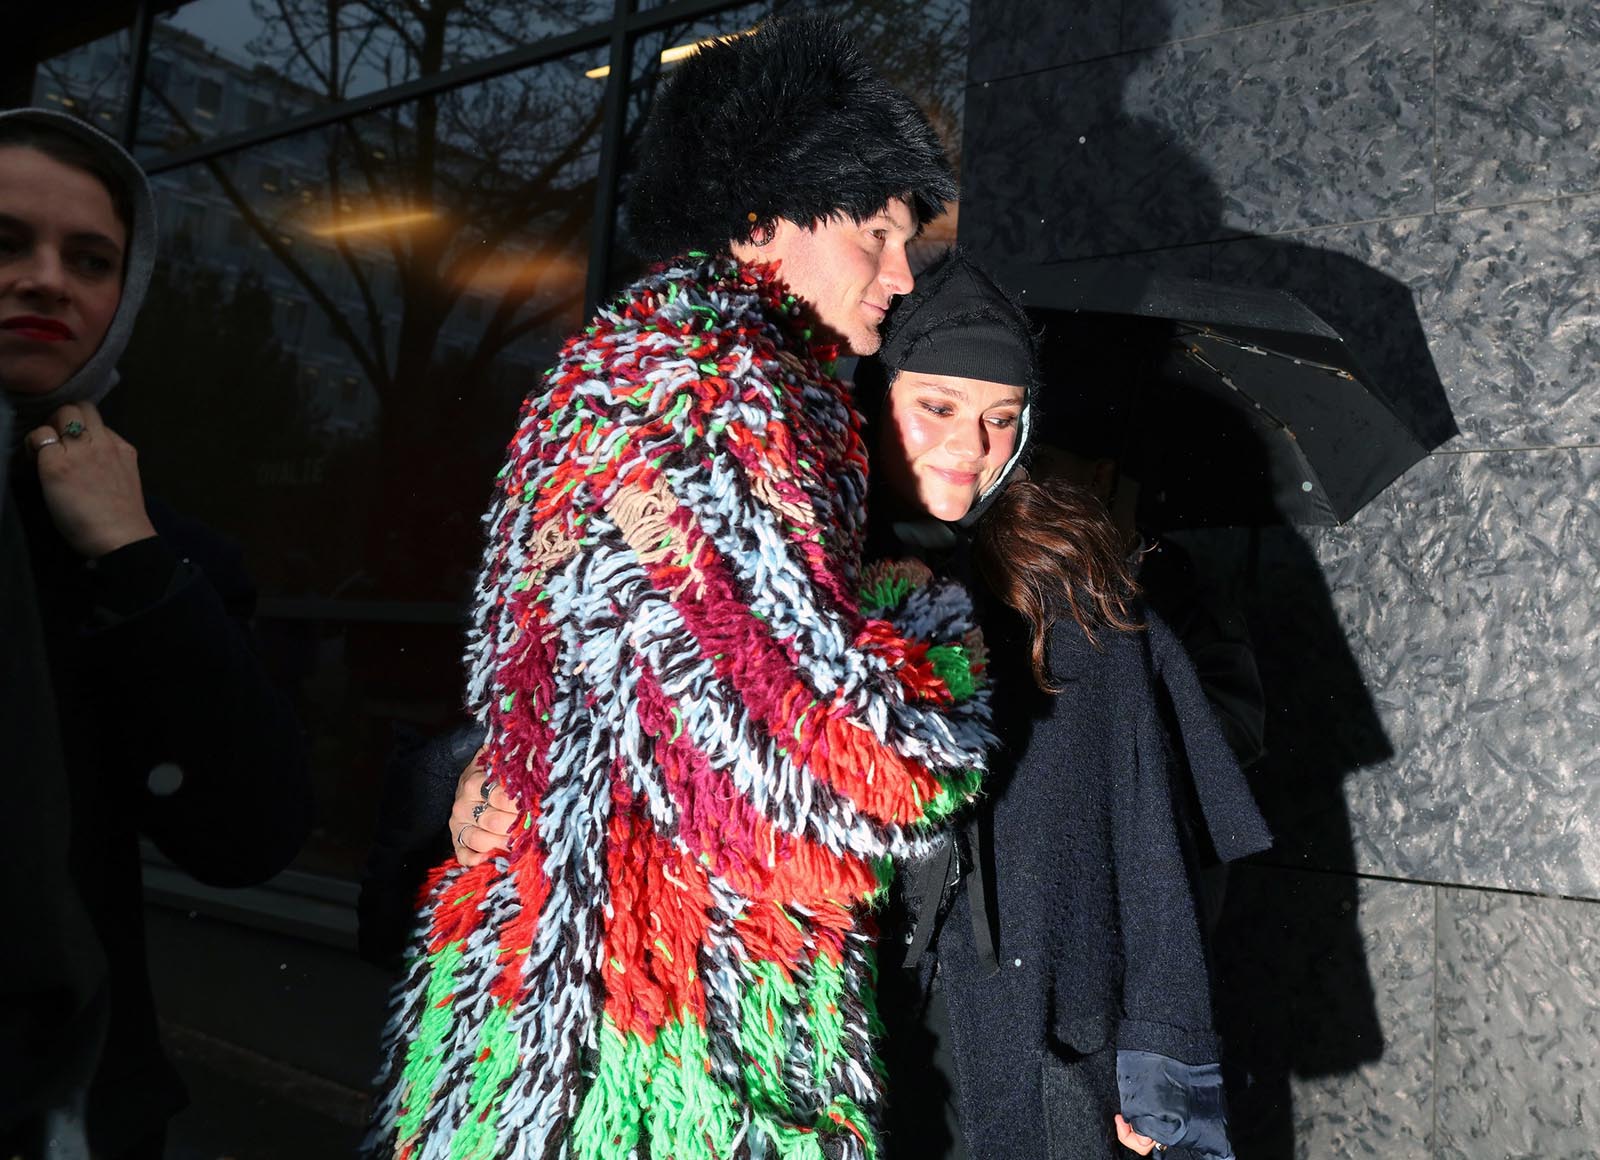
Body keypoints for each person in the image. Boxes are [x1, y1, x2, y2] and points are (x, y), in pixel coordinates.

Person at [366, 18, 995, 1160]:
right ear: (761, 224)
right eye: (874, 234)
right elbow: (851, 758)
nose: (901, 277)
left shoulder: (625, 378)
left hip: (556, 985)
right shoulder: (713, 391)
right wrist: (926, 618)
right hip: (659, 1032)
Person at [850, 250, 1271, 1160]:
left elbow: (1154, 842)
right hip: (841, 1033)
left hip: (1031, 1039)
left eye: (1001, 418)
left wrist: (1159, 1063)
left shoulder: (1071, 591)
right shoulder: (789, 573)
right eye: (938, 408)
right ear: (873, 397)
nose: (971, 448)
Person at [0, 107, 312, 1157]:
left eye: (91, 259)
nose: (49, 279)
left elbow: (247, 834)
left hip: (68, 1111)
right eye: (6, 243)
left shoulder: (154, 547)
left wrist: (129, 557)